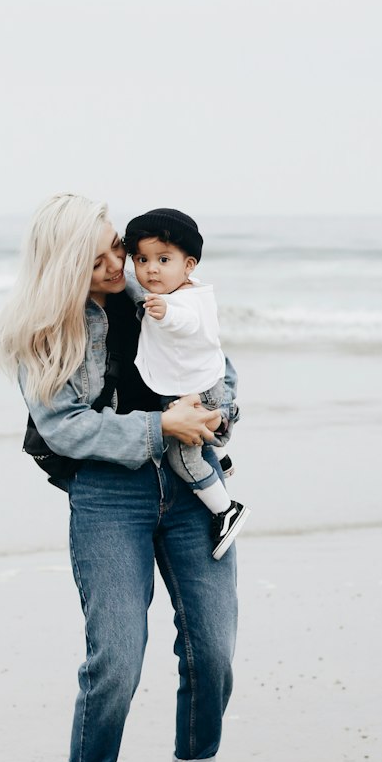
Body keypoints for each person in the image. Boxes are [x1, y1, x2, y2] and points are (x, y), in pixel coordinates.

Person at [0, 193, 243, 762]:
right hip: (109, 494)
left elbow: (214, 361)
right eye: (97, 255)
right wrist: (158, 424)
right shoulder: (43, 330)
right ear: (63, 263)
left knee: (213, 647)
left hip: (192, 484)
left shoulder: (159, 291)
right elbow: (62, 425)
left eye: (118, 247)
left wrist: (217, 413)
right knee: (116, 655)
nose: (119, 263)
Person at [124, 207, 249, 560]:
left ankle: (225, 509)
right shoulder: (184, 288)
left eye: (164, 259)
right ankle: (221, 459)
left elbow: (189, 323)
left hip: (197, 389)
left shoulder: (182, 303)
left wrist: (167, 314)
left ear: (189, 264)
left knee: (182, 455)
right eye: (141, 259)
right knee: (203, 427)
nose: (151, 269)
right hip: (203, 378)